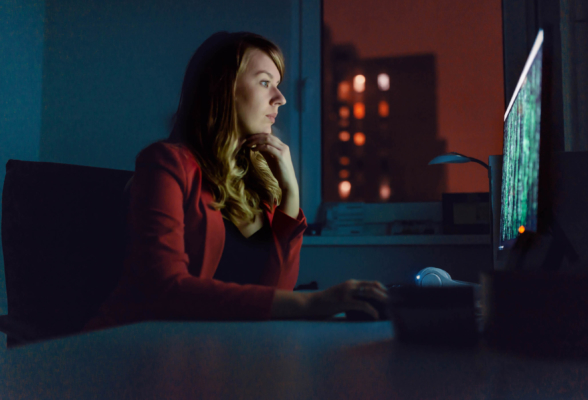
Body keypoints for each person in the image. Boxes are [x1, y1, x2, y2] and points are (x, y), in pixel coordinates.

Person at [83, 31, 388, 332]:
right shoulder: (166, 163)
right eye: (265, 83)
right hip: (131, 347)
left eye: (278, 86)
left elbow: (276, 290)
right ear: (223, 88)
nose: (280, 99)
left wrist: (290, 193)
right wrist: (312, 303)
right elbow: (165, 290)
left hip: (214, 351)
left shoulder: (258, 183)